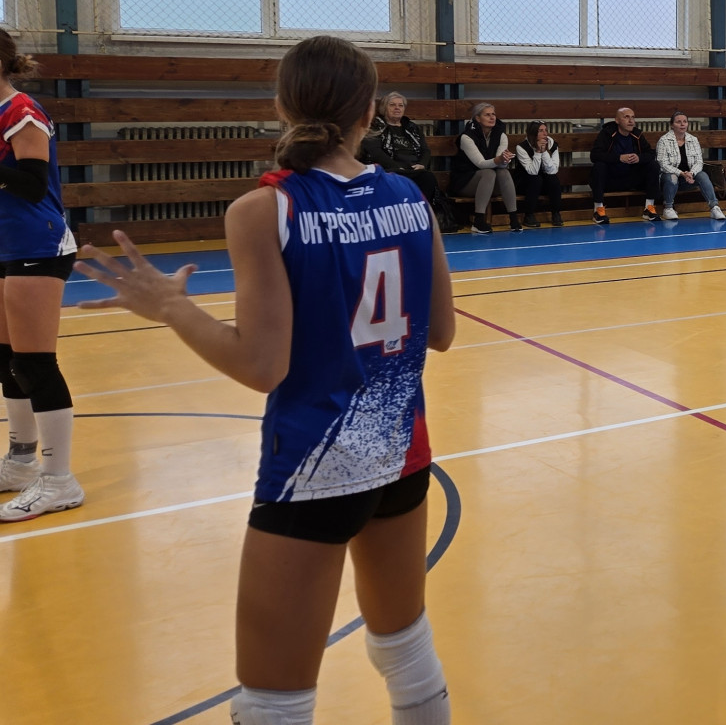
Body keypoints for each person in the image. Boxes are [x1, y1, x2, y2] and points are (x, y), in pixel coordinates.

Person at [74, 35, 456, 724]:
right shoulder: (411, 197)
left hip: (314, 468)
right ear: (370, 112)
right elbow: (442, 332)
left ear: (281, 107)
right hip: (401, 454)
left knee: (273, 704)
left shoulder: (264, 210)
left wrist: (172, 308)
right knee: (405, 650)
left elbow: (260, 366)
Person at [0, 30, 83, 521]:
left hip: (38, 244)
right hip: (6, 246)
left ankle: (59, 480)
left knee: (34, 363)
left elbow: (32, 186)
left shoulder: (21, 111)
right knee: (7, 360)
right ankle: (20, 463)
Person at [362, 93, 456, 234]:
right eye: (392, 105)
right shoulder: (376, 126)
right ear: (383, 108)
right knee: (395, 176)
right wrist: (396, 166)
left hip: (413, 169)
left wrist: (422, 164)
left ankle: (419, 218)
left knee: (427, 177)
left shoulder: (411, 127)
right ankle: (397, 221)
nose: (397, 108)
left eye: (400, 105)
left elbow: (425, 150)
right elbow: (374, 151)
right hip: (389, 168)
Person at [451, 103, 520, 234]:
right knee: (488, 173)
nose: (492, 117)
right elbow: (480, 163)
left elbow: (500, 163)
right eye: (487, 115)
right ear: (477, 118)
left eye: (493, 114)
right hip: (465, 181)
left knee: (503, 172)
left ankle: (514, 219)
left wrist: (504, 160)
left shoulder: (501, 135)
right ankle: (478, 221)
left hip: (490, 183)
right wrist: (498, 160)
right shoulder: (467, 137)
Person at [588, 107, 659, 225]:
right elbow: (594, 155)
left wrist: (639, 158)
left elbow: (651, 154)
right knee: (599, 166)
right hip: (610, 180)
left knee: (653, 165)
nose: (631, 121)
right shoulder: (607, 134)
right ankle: (598, 210)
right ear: (617, 120)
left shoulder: (637, 134)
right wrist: (619, 158)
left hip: (631, 179)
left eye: (633, 117)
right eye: (626, 117)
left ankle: (649, 208)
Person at [654, 112, 724, 222]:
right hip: (669, 179)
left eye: (685, 122)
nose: (682, 124)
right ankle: (668, 208)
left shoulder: (693, 139)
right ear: (672, 125)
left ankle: (714, 207)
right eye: (678, 122)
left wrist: (691, 173)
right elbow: (662, 164)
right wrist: (681, 173)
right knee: (672, 177)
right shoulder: (664, 140)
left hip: (689, 178)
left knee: (703, 175)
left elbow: (699, 162)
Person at [513, 122, 565, 228]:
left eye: (546, 130)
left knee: (553, 179)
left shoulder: (552, 145)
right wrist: (537, 152)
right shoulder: (522, 147)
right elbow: (532, 172)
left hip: (544, 183)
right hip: (525, 183)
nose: (545, 133)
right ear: (533, 133)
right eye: (541, 131)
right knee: (536, 179)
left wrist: (544, 152)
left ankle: (556, 213)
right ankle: (528, 215)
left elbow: (553, 170)